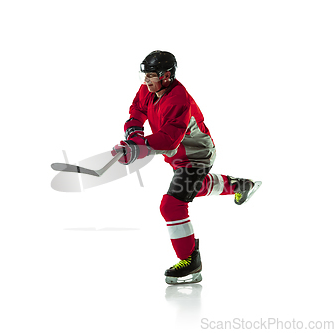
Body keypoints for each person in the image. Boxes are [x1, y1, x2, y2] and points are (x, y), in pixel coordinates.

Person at [112, 50, 261, 285]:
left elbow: (170, 139)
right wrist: (134, 135)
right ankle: (240, 185)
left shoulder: (178, 99)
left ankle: (190, 262)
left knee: (172, 205)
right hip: (178, 158)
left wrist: (138, 147)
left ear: (167, 75)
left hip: (196, 157)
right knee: (194, 187)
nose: (146, 81)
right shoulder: (148, 90)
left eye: (151, 75)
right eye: (146, 76)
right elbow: (137, 110)